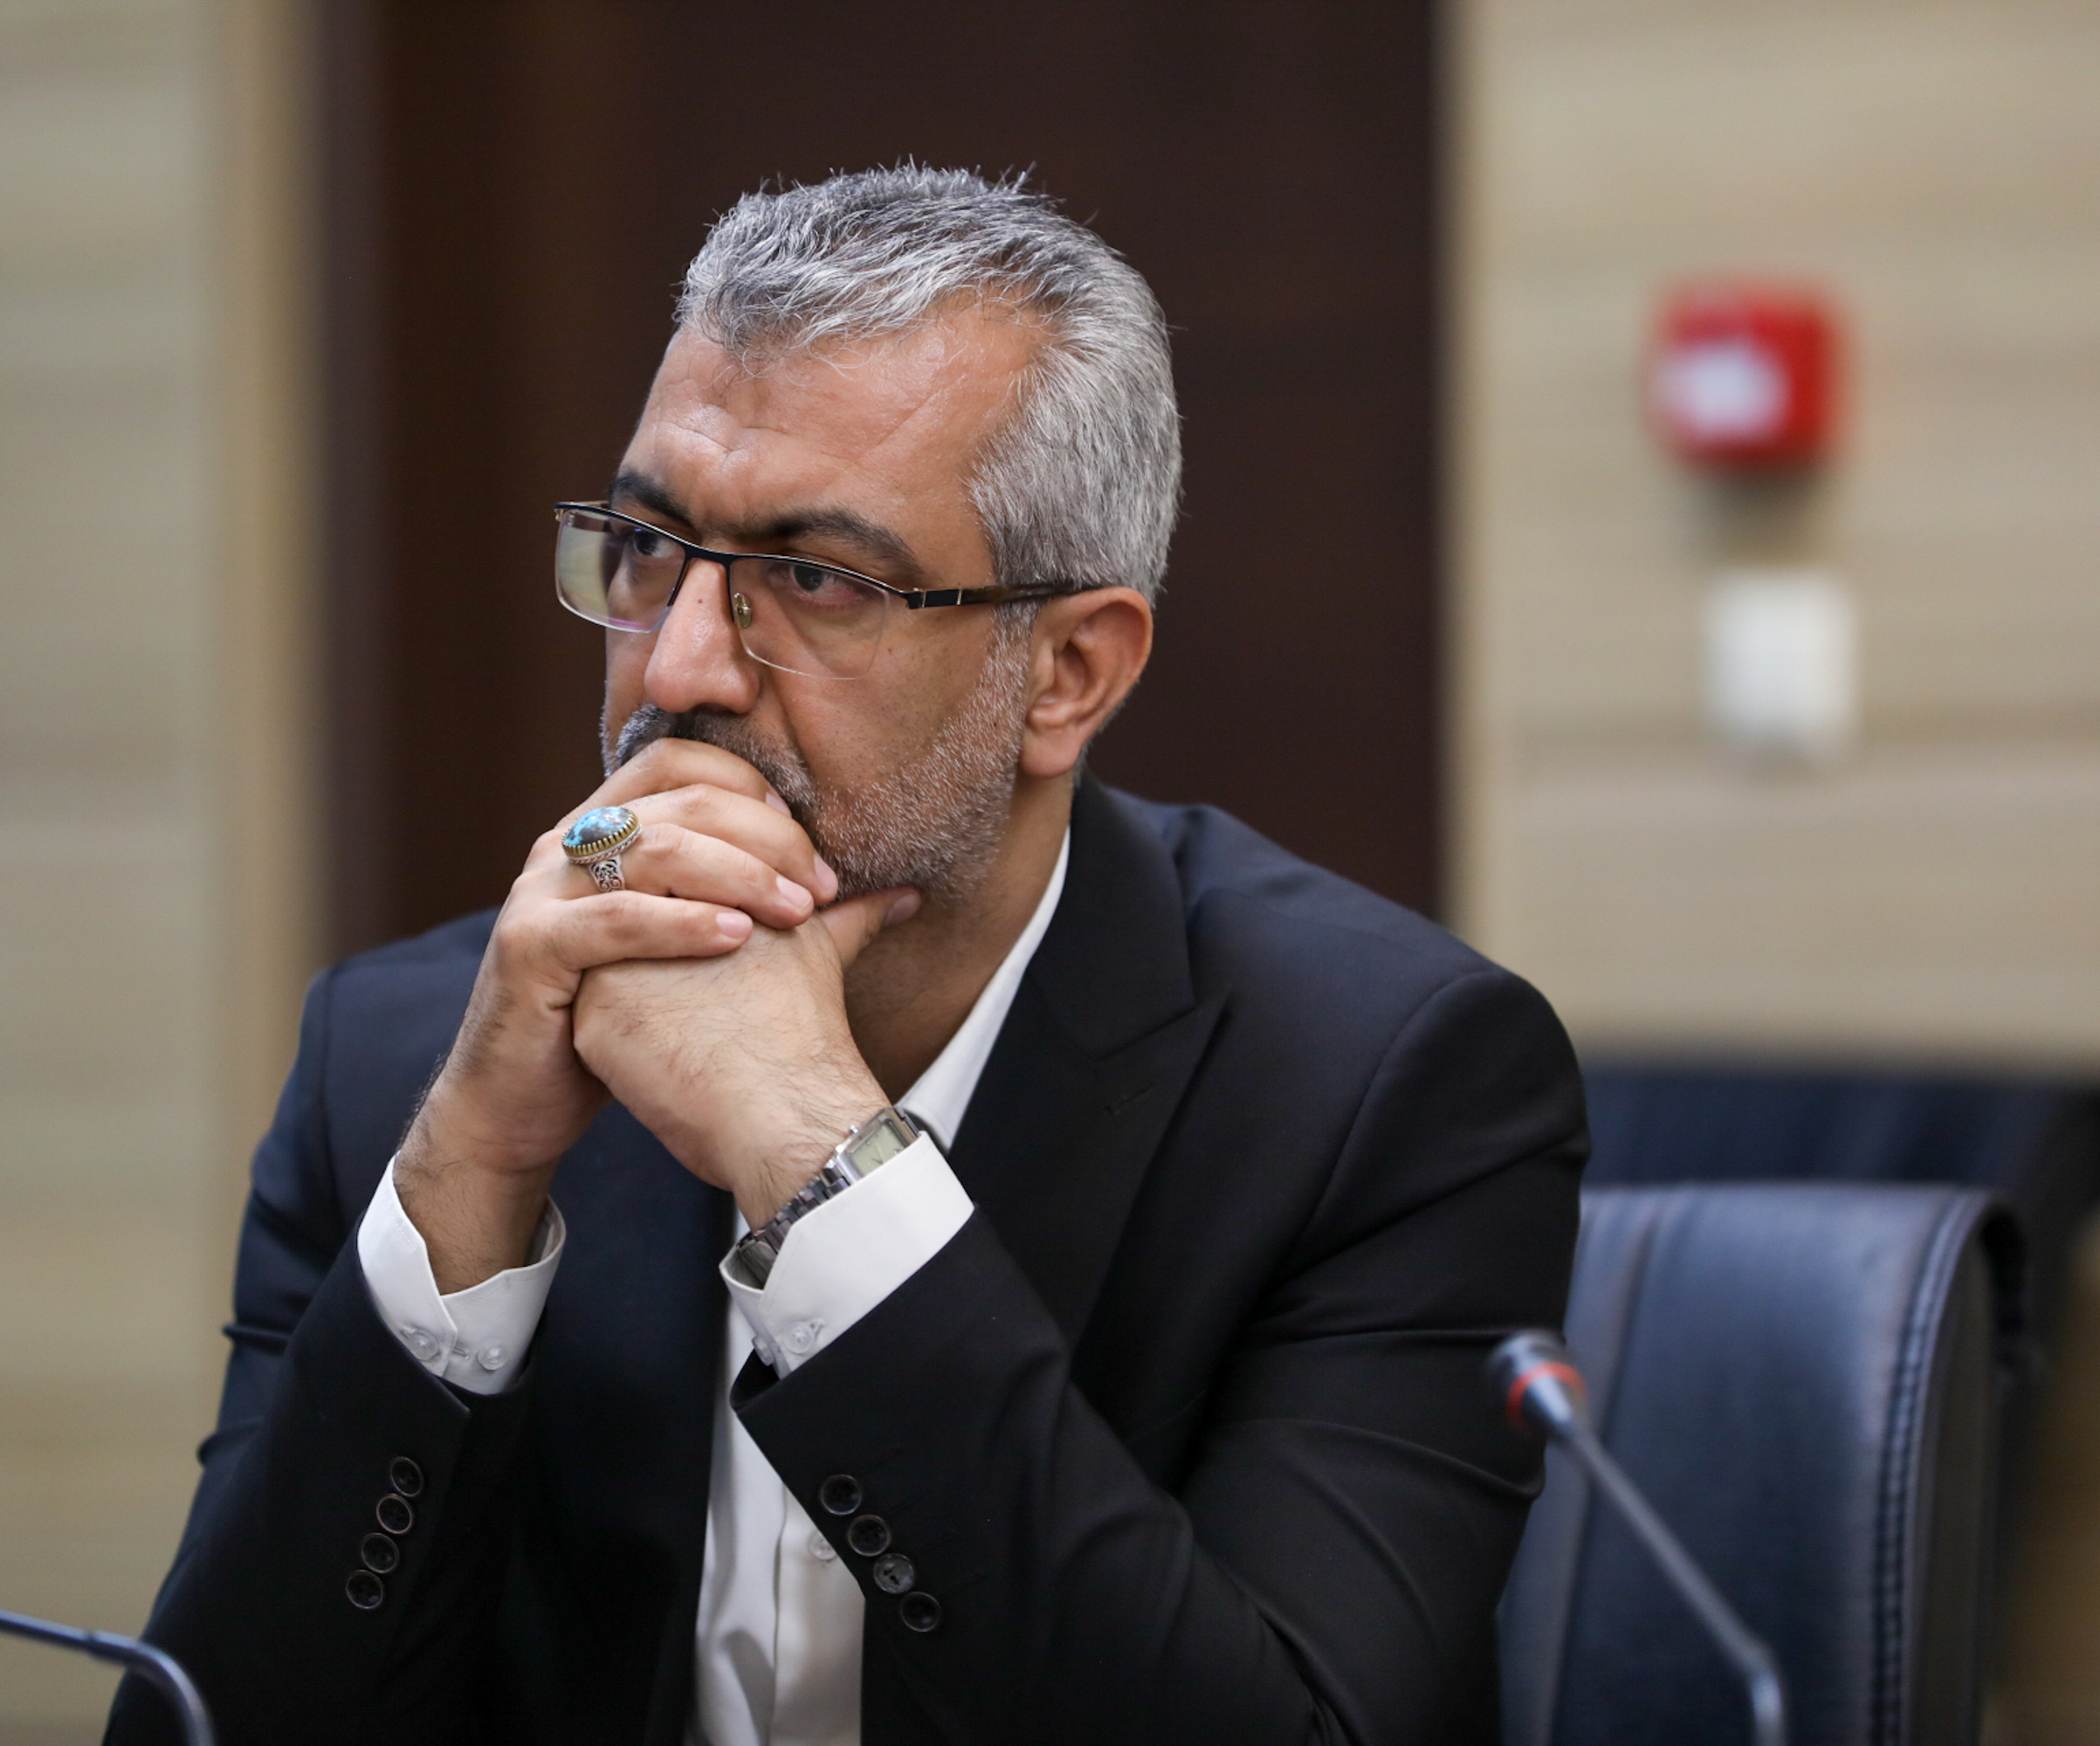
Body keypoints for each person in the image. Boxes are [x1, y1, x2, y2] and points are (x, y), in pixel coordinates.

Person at [107, 166, 1586, 1746]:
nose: (679, 669)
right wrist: (470, 1180)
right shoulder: (407, 1065)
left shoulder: (1384, 1089)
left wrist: (821, 1159)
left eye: (816, 580)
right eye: (647, 548)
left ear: (1068, 674)